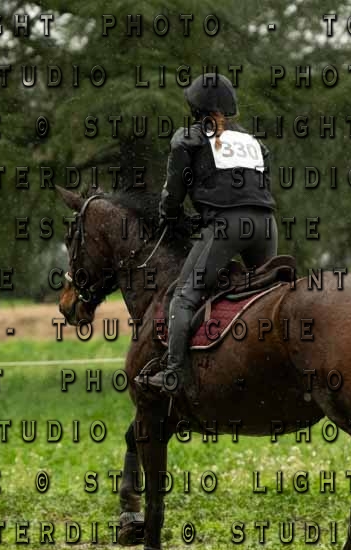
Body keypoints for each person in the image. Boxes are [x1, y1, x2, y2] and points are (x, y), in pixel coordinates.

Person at [142, 73, 278, 395]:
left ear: (196, 108)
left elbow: (173, 193)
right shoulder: (255, 142)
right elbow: (257, 187)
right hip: (265, 224)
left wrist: (171, 217)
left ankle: (175, 374)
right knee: (268, 296)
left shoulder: (187, 138)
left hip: (227, 227)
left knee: (184, 295)